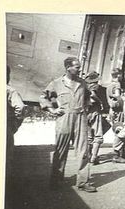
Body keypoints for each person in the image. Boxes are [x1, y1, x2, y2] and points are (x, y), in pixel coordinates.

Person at [39, 57, 97, 192]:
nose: (79, 69)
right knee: (60, 151)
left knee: (83, 151)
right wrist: (52, 109)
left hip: (80, 118)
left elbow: (89, 96)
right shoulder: (56, 83)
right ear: (68, 68)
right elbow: (43, 97)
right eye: (77, 67)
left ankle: (83, 182)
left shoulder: (82, 83)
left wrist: (87, 106)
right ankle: (56, 180)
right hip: (64, 118)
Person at [106, 68, 125, 163]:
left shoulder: (109, 85)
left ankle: (122, 153)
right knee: (122, 132)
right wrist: (124, 98)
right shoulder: (117, 85)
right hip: (119, 111)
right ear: (118, 75)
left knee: (118, 130)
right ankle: (117, 155)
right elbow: (118, 97)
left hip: (112, 110)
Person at [6, 65, 25, 179]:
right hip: (5, 128)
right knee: (6, 158)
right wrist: (15, 125)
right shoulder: (9, 90)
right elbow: (21, 108)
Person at [85, 71, 104, 165]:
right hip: (94, 111)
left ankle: (88, 156)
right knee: (98, 135)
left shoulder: (84, 86)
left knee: (89, 136)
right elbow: (93, 95)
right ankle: (94, 157)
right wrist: (100, 102)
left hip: (86, 112)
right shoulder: (94, 86)